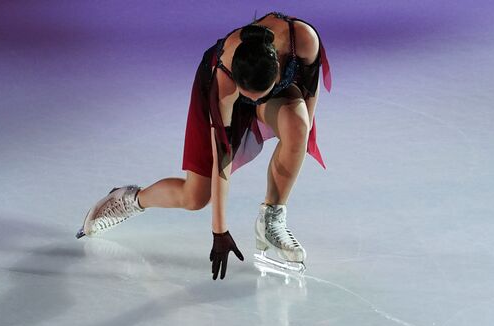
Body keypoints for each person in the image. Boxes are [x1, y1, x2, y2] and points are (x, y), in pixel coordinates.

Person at [75, 11, 332, 280]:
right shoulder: (224, 79)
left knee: (299, 124)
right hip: (219, 88)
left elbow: (309, 97)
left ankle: (271, 220)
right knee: (195, 197)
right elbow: (223, 157)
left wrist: (298, 139)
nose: (254, 102)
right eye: (249, 98)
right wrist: (219, 231)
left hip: (268, 87)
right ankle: (129, 199)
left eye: (260, 97)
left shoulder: (302, 39)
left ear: (278, 73)